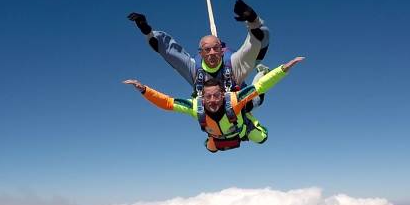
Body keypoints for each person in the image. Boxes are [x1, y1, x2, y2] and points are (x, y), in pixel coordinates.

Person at [123, 57, 304, 153]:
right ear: (202, 96)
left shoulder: (233, 99)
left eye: (217, 96)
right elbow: (167, 103)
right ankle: (224, 133)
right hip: (218, 136)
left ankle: (260, 74)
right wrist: (144, 89)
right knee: (211, 149)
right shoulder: (196, 106)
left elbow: (260, 87)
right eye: (208, 97)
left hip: (241, 128)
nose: (212, 100)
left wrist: (283, 69)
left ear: (223, 94)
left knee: (262, 133)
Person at [127, 0, 269, 96]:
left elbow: (256, 42)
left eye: (216, 48)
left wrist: (253, 20)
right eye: (207, 49)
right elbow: (167, 50)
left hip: (238, 98)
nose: (212, 53)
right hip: (214, 118)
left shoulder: (232, 64)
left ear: (221, 50)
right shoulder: (194, 69)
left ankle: (262, 73)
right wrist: (147, 31)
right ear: (200, 53)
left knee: (255, 101)